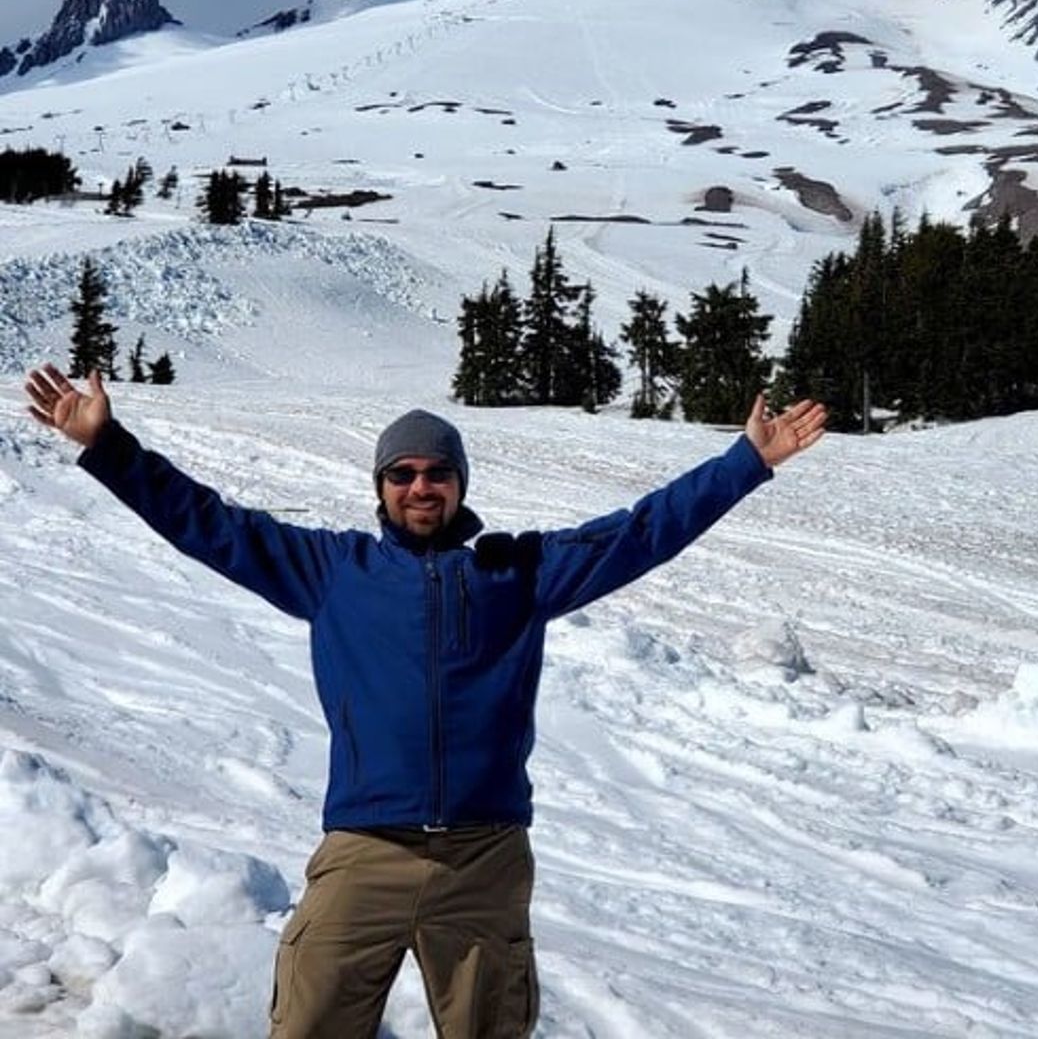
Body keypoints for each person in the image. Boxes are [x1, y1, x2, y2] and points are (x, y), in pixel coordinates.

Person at [22, 362, 826, 1038]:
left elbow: (642, 532)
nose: (420, 486)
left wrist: (744, 462)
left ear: (459, 483)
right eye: (402, 474)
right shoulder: (331, 571)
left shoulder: (518, 573)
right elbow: (207, 524)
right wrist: (110, 448)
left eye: (436, 472)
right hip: (365, 851)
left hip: (484, 858)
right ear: (380, 487)